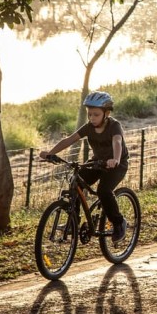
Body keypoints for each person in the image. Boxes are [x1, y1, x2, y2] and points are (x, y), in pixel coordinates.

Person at [39, 91, 128, 241]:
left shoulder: (114, 126)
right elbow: (69, 139)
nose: (92, 118)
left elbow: (117, 142)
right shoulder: (88, 127)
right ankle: (74, 221)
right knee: (77, 183)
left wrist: (116, 159)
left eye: (96, 114)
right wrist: (50, 153)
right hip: (97, 162)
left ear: (106, 113)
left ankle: (119, 223)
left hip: (116, 165)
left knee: (103, 191)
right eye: (89, 114)